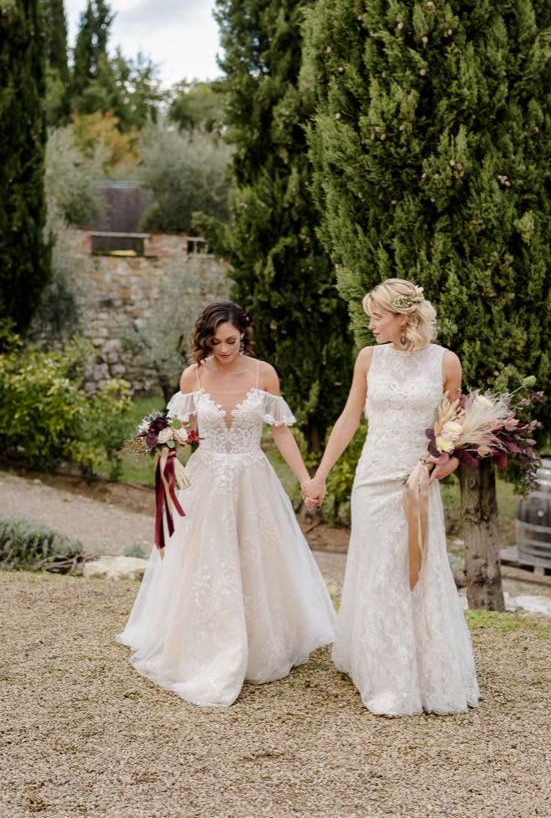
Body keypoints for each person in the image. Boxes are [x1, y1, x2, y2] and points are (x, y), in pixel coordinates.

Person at [118, 300, 335, 707]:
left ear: (244, 335)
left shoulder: (263, 373)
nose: (223, 349)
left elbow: (282, 433)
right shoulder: (193, 377)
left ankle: (260, 642)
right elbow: (183, 433)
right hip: (207, 479)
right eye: (215, 342)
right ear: (205, 340)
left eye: (231, 340)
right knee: (207, 561)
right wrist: (168, 454)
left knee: (257, 559)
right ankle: (208, 643)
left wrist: (307, 479)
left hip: (254, 477)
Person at [303, 279, 479, 716]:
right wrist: (318, 476)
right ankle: (383, 673)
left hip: (417, 481)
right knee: (380, 570)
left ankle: (423, 672)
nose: (371, 324)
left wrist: (445, 462)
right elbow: (348, 420)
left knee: (417, 570)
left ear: (405, 316)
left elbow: (453, 428)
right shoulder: (369, 358)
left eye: (377, 316)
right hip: (374, 478)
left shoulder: (446, 362)